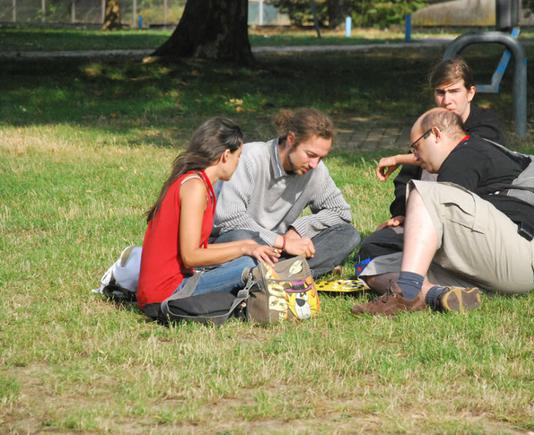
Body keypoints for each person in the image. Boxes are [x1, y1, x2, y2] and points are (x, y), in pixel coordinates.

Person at [351, 108, 534, 316]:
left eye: (416, 147)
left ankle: (407, 294)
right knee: (371, 266)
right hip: (500, 266)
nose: (415, 156)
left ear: (436, 134)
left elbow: (435, 211)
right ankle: (434, 295)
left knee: (424, 192)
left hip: (521, 252)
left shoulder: (466, 154)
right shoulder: (470, 152)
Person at [357, 56, 503, 291]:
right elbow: (405, 181)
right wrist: (404, 214)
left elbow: (460, 157)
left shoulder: (486, 129)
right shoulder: (428, 125)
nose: (447, 101)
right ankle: (429, 288)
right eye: (440, 92)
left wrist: (398, 157)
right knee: (372, 246)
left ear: (470, 93)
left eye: (454, 91)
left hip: (468, 225)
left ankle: (420, 282)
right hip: (426, 224)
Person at [137, 117, 280, 319]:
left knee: (249, 256)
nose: (239, 162)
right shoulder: (195, 187)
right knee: (250, 263)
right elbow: (191, 256)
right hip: (167, 294)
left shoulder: (197, 183)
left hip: (168, 287)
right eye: (238, 156)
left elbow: (197, 251)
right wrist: (244, 247)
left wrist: (247, 245)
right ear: (225, 156)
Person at [210, 108, 360, 278]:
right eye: (310, 155)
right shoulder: (250, 158)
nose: (314, 164)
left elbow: (340, 212)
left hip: (279, 249)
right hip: (238, 242)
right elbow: (229, 219)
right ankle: (289, 273)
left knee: (349, 235)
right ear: (291, 140)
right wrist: (281, 242)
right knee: (240, 236)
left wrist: (297, 231)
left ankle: (269, 275)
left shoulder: (316, 171)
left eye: (321, 158)